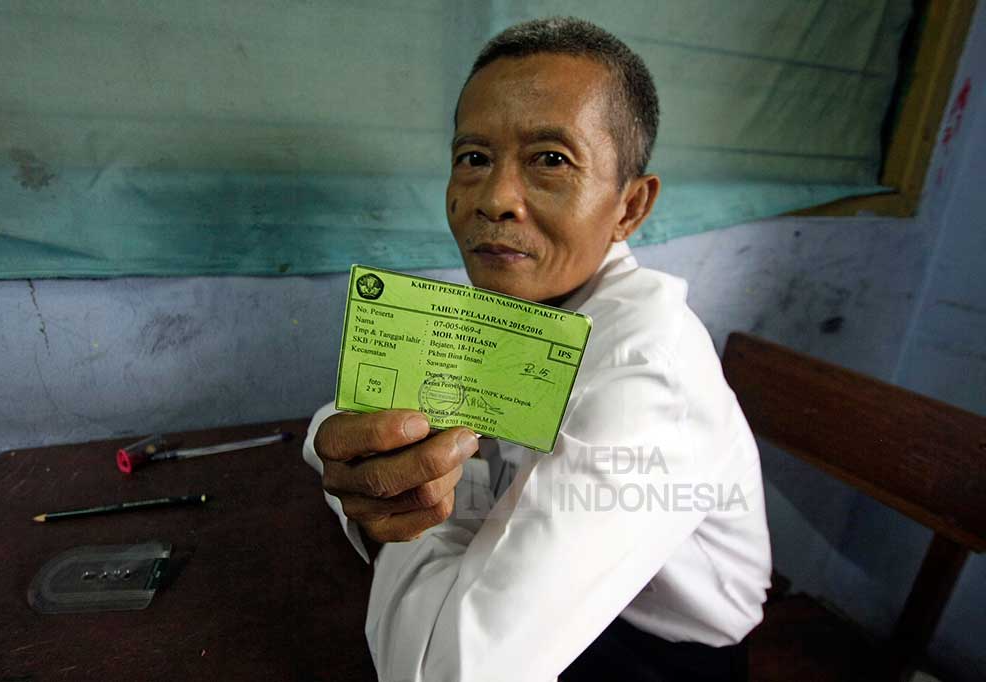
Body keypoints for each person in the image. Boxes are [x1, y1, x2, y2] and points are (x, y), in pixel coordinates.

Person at [303, 17, 771, 682]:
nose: (494, 199)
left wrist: (407, 520)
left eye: (552, 159)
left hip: (653, 649)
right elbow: (347, 424)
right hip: (539, 592)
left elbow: (448, 670)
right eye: (473, 158)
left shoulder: (648, 376)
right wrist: (343, 446)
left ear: (630, 207)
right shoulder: (516, 304)